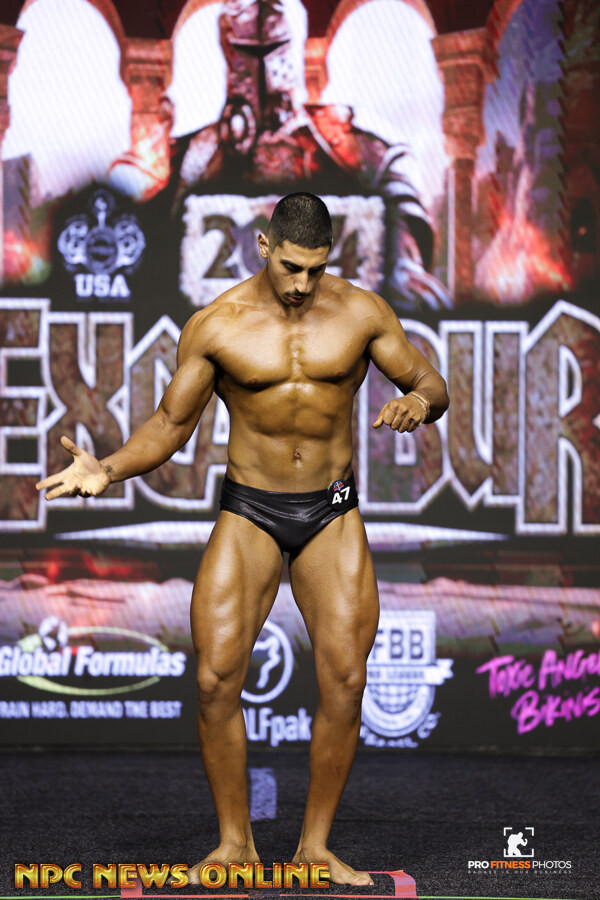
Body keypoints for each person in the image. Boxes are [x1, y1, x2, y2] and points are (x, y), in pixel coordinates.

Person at [36, 192, 449, 886]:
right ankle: (235, 846)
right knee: (214, 678)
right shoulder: (218, 325)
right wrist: (106, 468)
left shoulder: (361, 313)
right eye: (291, 267)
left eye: (316, 269)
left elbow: (430, 381)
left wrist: (419, 402)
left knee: (347, 681)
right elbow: (170, 427)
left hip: (331, 512)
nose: (303, 284)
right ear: (263, 246)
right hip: (251, 509)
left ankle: (315, 849)